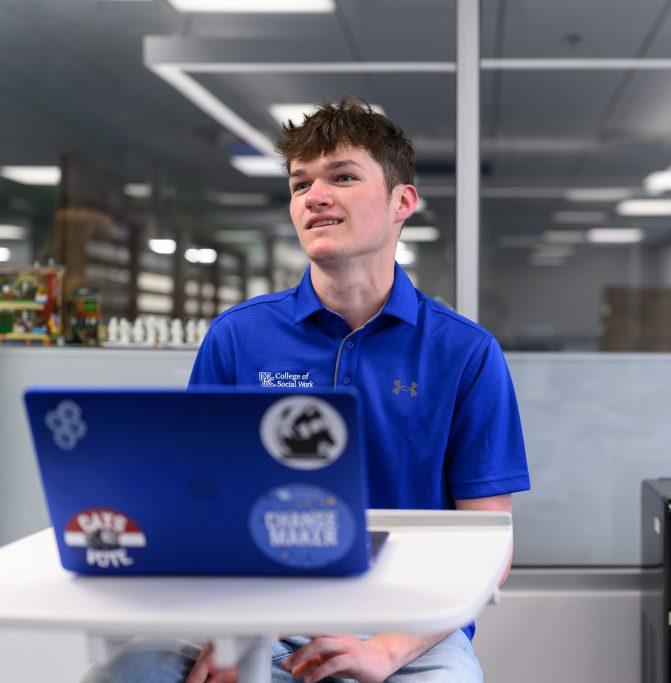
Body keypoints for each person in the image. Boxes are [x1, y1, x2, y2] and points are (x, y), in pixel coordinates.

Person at [86, 96, 530, 683]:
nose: (314, 196)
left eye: (343, 177)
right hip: (253, 614)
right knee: (132, 672)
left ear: (403, 202)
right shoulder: (239, 337)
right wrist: (228, 634)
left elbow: (489, 547)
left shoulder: (465, 353)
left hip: (405, 627)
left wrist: (388, 650)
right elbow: (200, 507)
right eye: (300, 185)